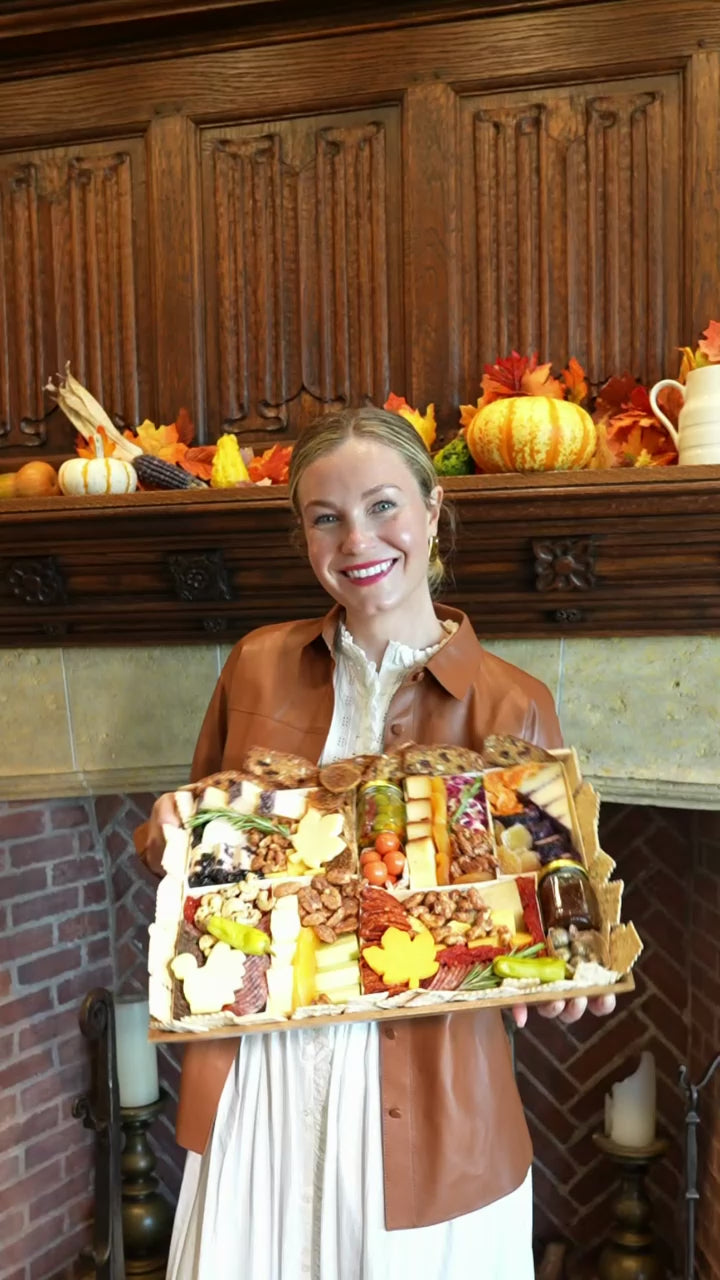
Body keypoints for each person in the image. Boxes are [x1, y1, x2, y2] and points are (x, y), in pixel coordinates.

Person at [139, 406, 614, 1280]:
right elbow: (196, 842)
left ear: (434, 511)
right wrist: (169, 828)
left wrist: (567, 971)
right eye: (326, 516)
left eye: (383, 505)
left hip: (428, 1106)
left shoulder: (515, 706)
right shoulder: (255, 664)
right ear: (304, 534)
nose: (357, 539)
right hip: (260, 1086)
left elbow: (554, 911)